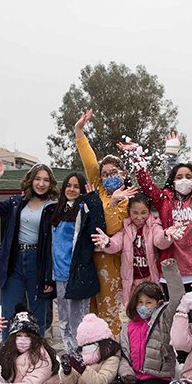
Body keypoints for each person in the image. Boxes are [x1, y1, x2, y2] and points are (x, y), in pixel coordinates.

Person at [75, 259, 184, 384]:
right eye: (140, 302)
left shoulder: (163, 321)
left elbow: (177, 297)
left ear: (158, 304)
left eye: (148, 302)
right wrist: (125, 373)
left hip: (157, 378)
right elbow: (123, 355)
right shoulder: (128, 327)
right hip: (132, 376)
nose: (144, 306)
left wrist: (169, 269)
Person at [119, 133, 192, 290]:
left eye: (188, 176)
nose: (184, 180)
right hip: (173, 273)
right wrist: (137, 157)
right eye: (179, 177)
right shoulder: (163, 200)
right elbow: (145, 183)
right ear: (172, 181)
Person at [0, 160, 58, 338]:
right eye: (37, 178)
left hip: (38, 262)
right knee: (8, 312)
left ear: (51, 183)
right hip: (14, 261)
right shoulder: (17, 202)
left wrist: (50, 277)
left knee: (39, 313)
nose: (41, 183)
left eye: (46, 180)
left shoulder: (54, 206)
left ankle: (38, 353)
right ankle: (8, 352)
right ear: (30, 180)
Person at [74, 109, 135, 335]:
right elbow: (89, 159)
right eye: (105, 173)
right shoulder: (98, 188)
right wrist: (79, 130)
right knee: (90, 313)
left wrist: (112, 204)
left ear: (123, 172)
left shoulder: (129, 197)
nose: (109, 176)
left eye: (114, 172)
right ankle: (92, 353)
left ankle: (112, 354)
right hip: (90, 259)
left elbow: (111, 228)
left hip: (113, 262)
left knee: (110, 313)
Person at [50, 172, 105, 354]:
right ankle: (69, 355)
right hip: (59, 274)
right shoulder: (56, 210)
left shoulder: (84, 209)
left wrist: (94, 201)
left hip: (77, 273)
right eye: (69, 185)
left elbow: (97, 228)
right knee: (63, 321)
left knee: (79, 321)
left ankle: (82, 356)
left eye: (76, 186)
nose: (72, 189)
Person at [92, 193, 173, 311]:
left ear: (149, 211)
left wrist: (166, 236)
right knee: (134, 312)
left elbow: (159, 240)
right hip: (131, 281)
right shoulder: (125, 228)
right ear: (129, 211)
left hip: (151, 278)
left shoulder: (154, 225)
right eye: (135, 213)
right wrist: (108, 243)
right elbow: (115, 244)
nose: (139, 217)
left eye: (143, 213)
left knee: (152, 312)